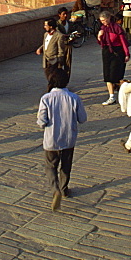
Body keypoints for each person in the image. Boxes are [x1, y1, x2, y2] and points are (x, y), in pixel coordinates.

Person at [37, 68, 87, 211]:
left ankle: (55, 189)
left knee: (50, 166)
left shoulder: (46, 98)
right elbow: (82, 119)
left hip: (51, 139)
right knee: (66, 165)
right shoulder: (74, 98)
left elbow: (41, 121)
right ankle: (64, 189)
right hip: (69, 138)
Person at [96, 10, 129, 105]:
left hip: (117, 52)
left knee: (116, 74)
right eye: (101, 20)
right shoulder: (102, 28)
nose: (103, 22)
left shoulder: (117, 28)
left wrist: (126, 53)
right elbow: (101, 43)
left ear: (108, 18)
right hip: (107, 51)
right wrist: (99, 37)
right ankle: (111, 96)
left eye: (104, 20)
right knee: (107, 75)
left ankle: (122, 95)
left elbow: (123, 41)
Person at [37, 17, 70, 82]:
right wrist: (40, 48)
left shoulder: (59, 36)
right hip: (46, 60)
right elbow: (46, 44)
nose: (44, 27)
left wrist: (58, 60)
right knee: (48, 76)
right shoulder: (46, 34)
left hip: (54, 61)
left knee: (52, 78)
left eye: (46, 25)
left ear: (51, 26)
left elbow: (61, 50)